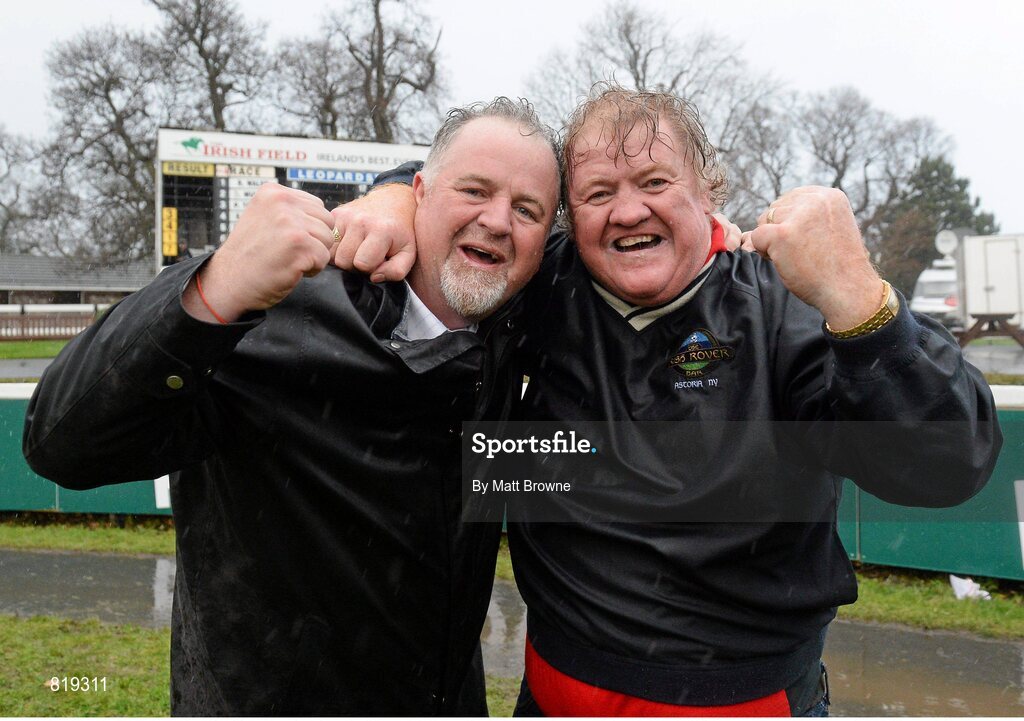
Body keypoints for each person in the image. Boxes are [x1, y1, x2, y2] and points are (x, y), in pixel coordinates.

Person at [339, 84, 1001, 716]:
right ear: (572, 213)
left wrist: (860, 298)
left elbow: (949, 463)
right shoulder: (543, 283)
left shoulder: (784, 307)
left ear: (708, 191)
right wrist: (395, 196)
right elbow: (471, 180)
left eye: (655, 182)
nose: (628, 211)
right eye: (599, 192)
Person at [22, 98, 561, 716]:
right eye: (474, 191)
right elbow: (57, 443)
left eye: (527, 210)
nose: (498, 220)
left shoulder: (513, 323)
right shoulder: (277, 310)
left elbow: (625, 231)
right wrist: (213, 287)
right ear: (422, 194)